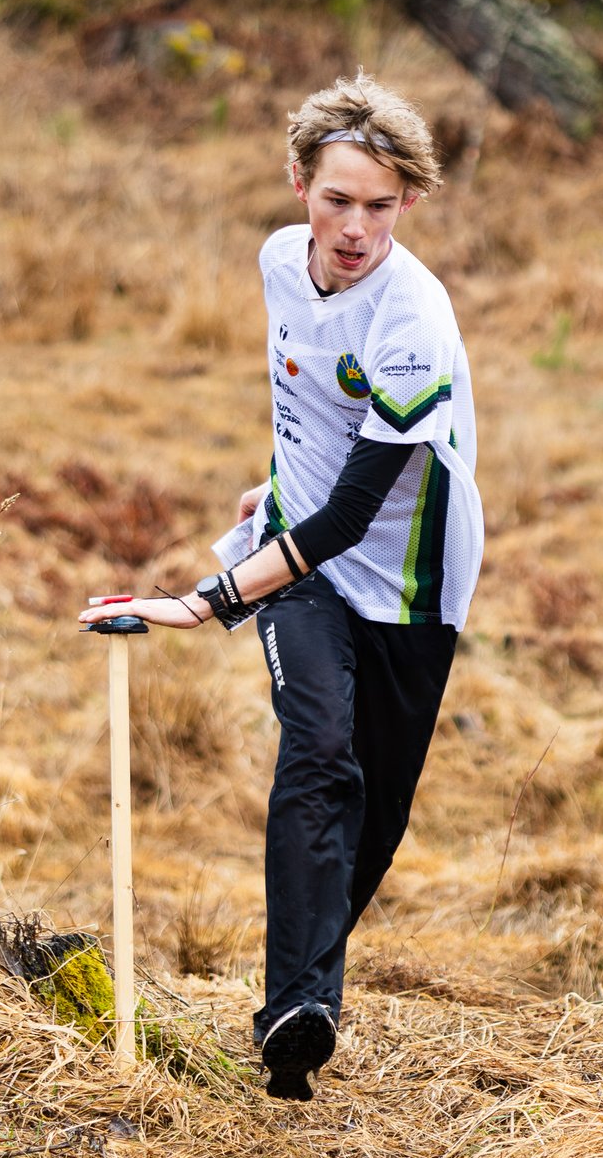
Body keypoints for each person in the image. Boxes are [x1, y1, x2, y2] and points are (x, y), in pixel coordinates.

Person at [77, 73, 483, 1101]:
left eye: (381, 206)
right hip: (300, 567)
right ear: (299, 181)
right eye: (337, 199)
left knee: (372, 825)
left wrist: (202, 598)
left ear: (409, 202)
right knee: (319, 750)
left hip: (413, 588)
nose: (355, 229)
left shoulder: (414, 320)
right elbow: (304, 415)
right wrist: (260, 522)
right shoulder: (276, 260)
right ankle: (297, 1018)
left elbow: (354, 514)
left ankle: (305, 990)